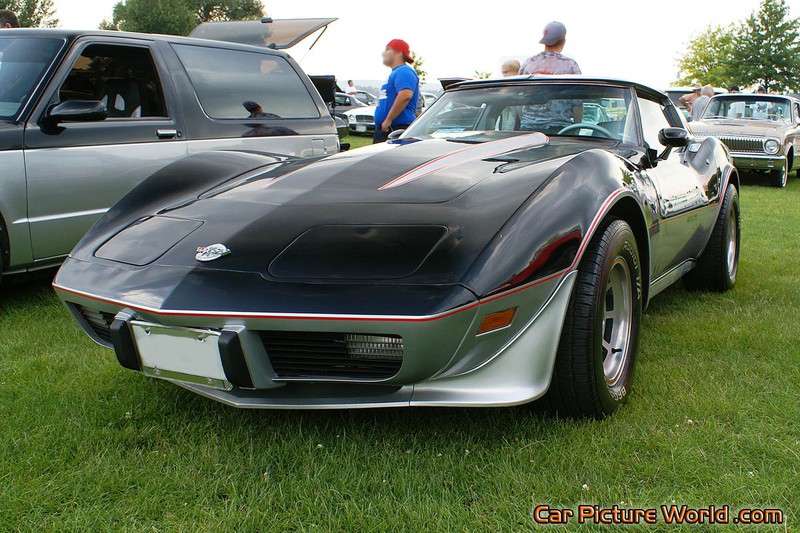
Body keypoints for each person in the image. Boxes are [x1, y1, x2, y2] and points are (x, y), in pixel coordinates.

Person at [518, 22, 582, 132]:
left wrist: (525, 121)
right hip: (559, 130)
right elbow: (578, 104)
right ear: (563, 40)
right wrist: (576, 130)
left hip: (528, 130)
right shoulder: (570, 65)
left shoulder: (528, 63)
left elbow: (517, 99)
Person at [373, 39, 419, 144]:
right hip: (387, 129)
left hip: (395, 129)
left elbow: (405, 95)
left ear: (398, 52)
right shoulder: (396, 72)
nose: (383, 53)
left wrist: (388, 120)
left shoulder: (404, 71)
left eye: (387, 50)